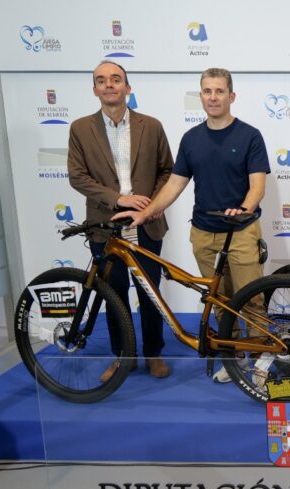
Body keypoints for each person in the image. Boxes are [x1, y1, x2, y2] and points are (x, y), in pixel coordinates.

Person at [113, 68, 270, 383]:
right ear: (201, 96)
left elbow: (257, 186)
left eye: (220, 91)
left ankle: (262, 357)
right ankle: (234, 355)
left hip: (240, 231)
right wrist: (146, 213)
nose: (213, 97)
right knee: (220, 299)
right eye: (208, 91)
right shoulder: (191, 139)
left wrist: (243, 210)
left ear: (231, 96)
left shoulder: (250, 135)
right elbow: (173, 185)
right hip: (202, 232)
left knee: (249, 297)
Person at [67, 60, 174, 382]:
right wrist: (118, 199)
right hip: (106, 224)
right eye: (102, 80)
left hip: (146, 223)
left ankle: (153, 354)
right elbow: (77, 176)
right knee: (113, 293)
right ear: (95, 89)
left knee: (149, 292)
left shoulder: (151, 126)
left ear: (128, 87)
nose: (109, 85)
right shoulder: (80, 128)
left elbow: (168, 171)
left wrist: (152, 205)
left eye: (116, 79)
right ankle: (122, 357)